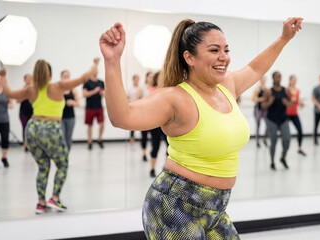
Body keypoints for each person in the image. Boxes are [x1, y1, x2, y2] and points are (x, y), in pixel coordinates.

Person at [100, 17, 302, 239]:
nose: (223, 57)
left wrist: (284, 39)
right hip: (173, 206)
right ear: (189, 57)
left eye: (226, 50)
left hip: (216, 208)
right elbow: (122, 117)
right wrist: (112, 61)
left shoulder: (226, 87)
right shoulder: (175, 98)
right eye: (214, 50)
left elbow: (255, 68)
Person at [0, 59, 98, 213]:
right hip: (51, 128)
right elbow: (84, 78)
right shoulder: (58, 86)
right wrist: (95, 64)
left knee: (43, 166)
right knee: (63, 164)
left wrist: (4, 77)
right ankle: (55, 198)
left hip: (32, 128)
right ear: (50, 74)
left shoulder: (30, 90)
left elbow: (9, 94)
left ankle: (40, 203)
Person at [261, 71, 291, 170]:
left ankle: (283, 157)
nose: (278, 78)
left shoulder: (286, 91)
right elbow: (263, 106)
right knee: (273, 141)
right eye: (276, 77)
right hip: (272, 119)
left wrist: (287, 103)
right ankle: (272, 162)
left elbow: (290, 103)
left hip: (283, 118)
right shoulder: (269, 92)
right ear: (273, 78)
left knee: (287, 139)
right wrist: (269, 102)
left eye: (279, 76)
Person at [148, 71, 169, 178]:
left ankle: (165, 168)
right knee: (155, 146)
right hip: (155, 125)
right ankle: (152, 169)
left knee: (169, 147)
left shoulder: (168, 91)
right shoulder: (152, 91)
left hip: (167, 124)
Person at [83, 71, 105, 150]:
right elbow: (84, 94)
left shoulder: (101, 82)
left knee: (102, 124)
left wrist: (102, 93)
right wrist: (94, 91)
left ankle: (99, 139)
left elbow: (105, 94)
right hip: (90, 107)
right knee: (90, 125)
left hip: (99, 107)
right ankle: (90, 141)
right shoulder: (87, 82)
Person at [0, 73, 13, 168]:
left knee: (5, 139)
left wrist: (10, 105)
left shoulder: (6, 92)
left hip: (4, 120)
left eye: (0, 79)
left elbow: (11, 103)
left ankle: (4, 158)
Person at [287, 75, 306, 156]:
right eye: (293, 80)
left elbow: (297, 102)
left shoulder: (297, 90)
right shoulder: (287, 90)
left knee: (300, 131)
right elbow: (284, 100)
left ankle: (299, 148)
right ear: (290, 81)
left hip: (294, 113)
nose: (294, 81)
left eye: (295, 80)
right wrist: (290, 99)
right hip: (287, 113)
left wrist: (300, 104)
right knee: (285, 132)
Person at [61, 70, 80, 152]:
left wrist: (72, 102)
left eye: (67, 76)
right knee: (62, 136)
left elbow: (78, 103)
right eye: (64, 76)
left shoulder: (73, 90)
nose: (66, 78)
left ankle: (67, 155)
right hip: (60, 117)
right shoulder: (58, 90)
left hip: (70, 117)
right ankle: (62, 155)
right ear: (61, 77)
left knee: (68, 137)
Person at [140, 72, 154, 162]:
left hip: (153, 117)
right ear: (146, 78)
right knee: (144, 136)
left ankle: (152, 152)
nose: (151, 78)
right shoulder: (142, 88)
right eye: (150, 77)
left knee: (154, 137)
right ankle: (144, 153)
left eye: (153, 77)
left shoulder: (156, 88)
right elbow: (136, 100)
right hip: (143, 116)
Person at [252, 76, 268, 147]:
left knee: (268, 124)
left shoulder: (267, 89)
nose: (264, 81)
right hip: (258, 109)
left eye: (265, 80)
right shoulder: (257, 89)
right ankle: (257, 141)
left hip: (265, 109)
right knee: (258, 125)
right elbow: (253, 98)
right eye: (263, 80)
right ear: (260, 81)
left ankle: (265, 139)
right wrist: (262, 99)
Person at [126, 75, 143, 144]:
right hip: (131, 107)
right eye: (136, 79)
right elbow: (127, 97)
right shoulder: (130, 88)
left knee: (141, 123)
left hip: (139, 107)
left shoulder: (140, 88)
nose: (137, 80)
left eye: (138, 79)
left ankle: (142, 138)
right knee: (132, 124)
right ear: (133, 80)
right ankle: (132, 138)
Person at [18, 74, 33, 151]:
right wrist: (25, 93)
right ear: (24, 80)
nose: (29, 80)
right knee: (25, 128)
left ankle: (32, 144)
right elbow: (18, 100)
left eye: (30, 79)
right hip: (23, 112)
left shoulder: (34, 89)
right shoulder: (22, 89)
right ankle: (25, 145)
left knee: (33, 129)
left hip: (33, 112)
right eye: (27, 79)